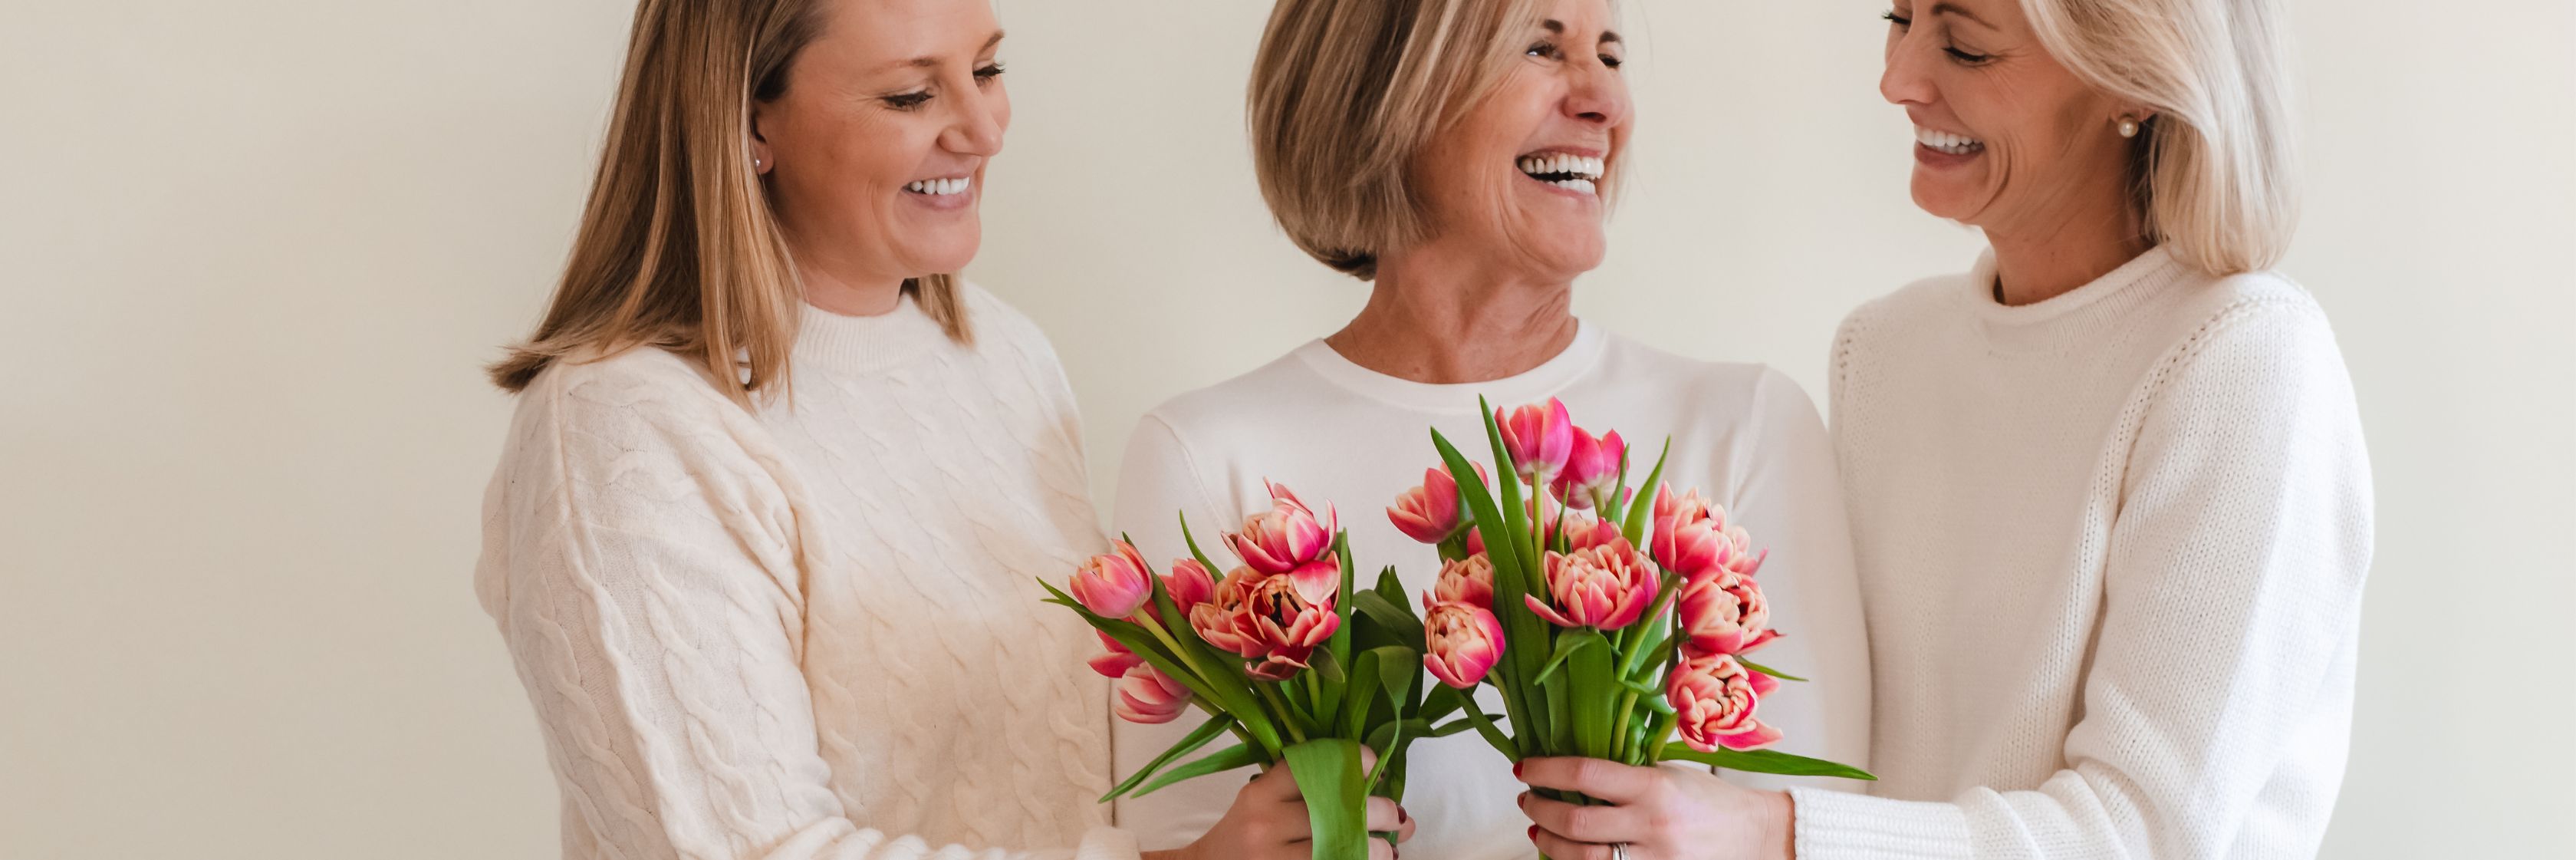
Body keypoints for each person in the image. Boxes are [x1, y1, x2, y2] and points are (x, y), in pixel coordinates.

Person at [474, 2, 1403, 858]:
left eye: (988, 71)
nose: (984, 129)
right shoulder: (624, 430)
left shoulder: (1001, 355)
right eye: (911, 94)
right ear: (750, 120)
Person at [1511, 1, 2373, 858]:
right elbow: (1849, 751)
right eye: (1898, 19)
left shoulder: (2242, 360)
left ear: (2132, 82)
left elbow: (2144, 832)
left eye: (1964, 47)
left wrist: (1769, 832)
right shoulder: (1883, 351)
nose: (1897, 81)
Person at [1110, 1, 1872, 858]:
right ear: (1383, 90)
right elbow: (1168, 838)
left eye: (1609, 55)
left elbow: (1823, 826)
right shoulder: (1204, 453)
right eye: (1540, 49)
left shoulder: (1745, 426)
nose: (1604, 104)